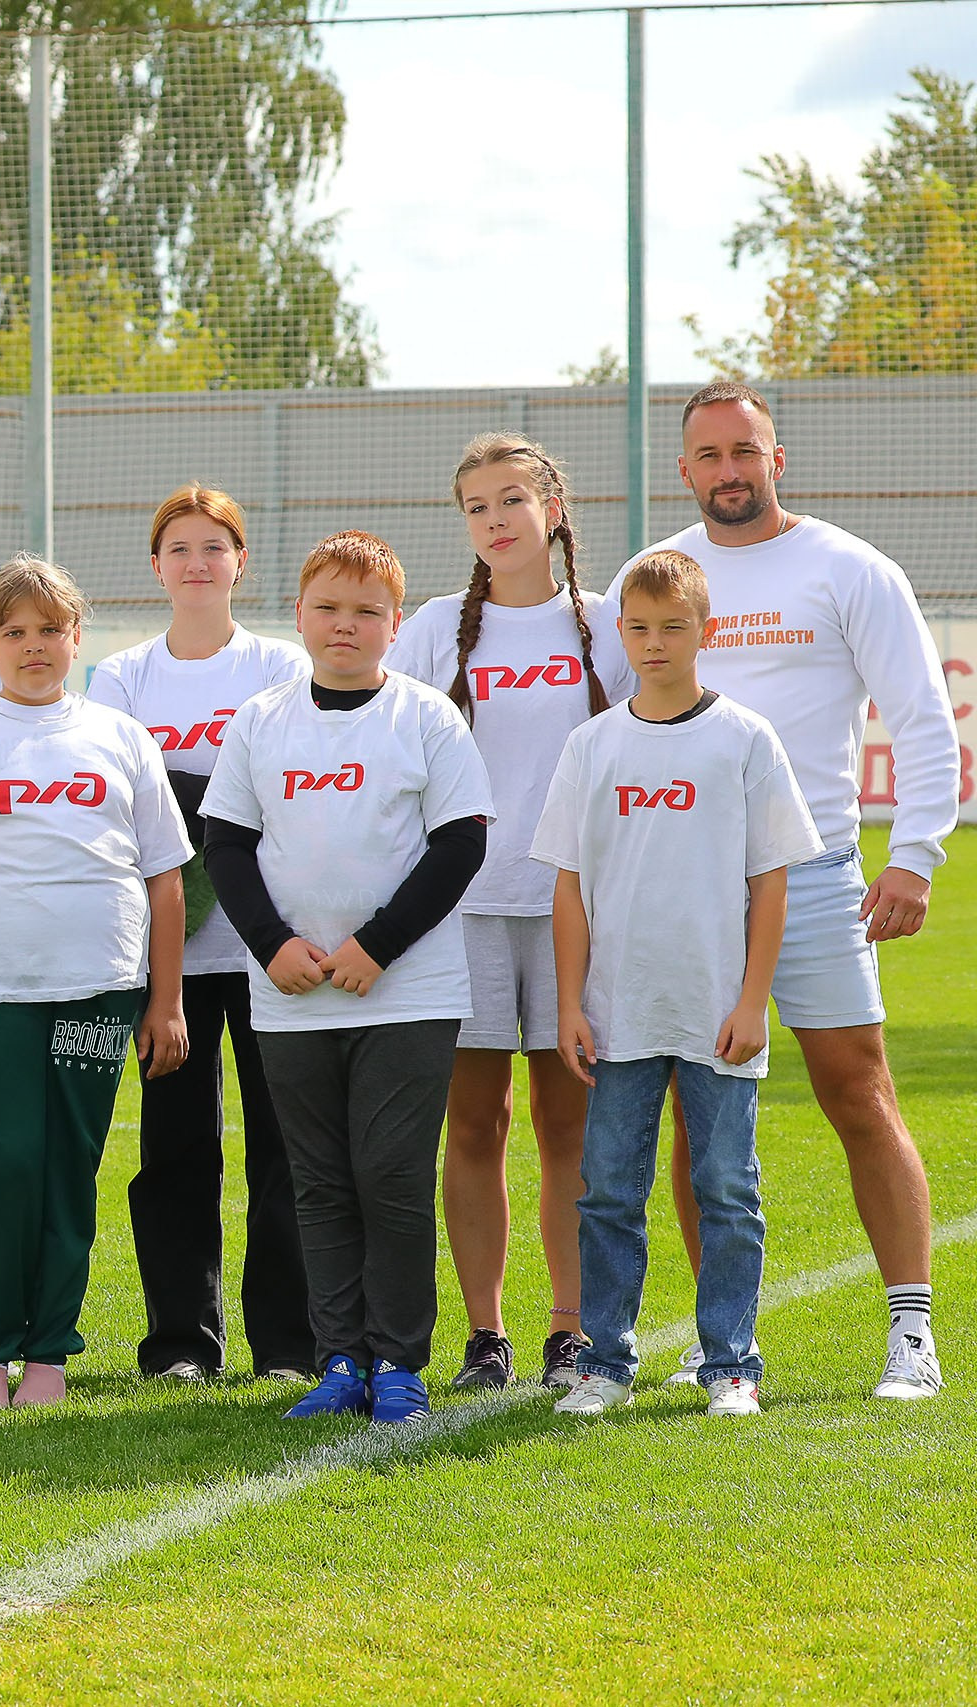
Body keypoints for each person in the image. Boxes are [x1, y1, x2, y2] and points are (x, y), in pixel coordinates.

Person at [640, 380, 955, 1402]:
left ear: (777, 459)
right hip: (690, 884)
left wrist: (914, 855)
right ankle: (717, 1337)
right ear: (684, 470)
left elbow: (920, 717)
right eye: (709, 455)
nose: (728, 471)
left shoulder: (848, 567)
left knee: (857, 1090)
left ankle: (912, 1333)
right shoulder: (659, 573)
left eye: (745, 451)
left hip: (816, 875)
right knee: (698, 1112)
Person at [201, 531, 494, 1425]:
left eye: (367, 611)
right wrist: (271, 945)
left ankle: (399, 1361)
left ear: (395, 624)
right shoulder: (261, 720)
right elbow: (226, 845)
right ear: (298, 615)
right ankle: (339, 1360)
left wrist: (378, 945)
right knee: (319, 1183)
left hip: (407, 993)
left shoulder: (426, 718)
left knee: (391, 1177)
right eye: (328, 607)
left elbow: (460, 844)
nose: (345, 624)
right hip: (291, 996)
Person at [0, 557, 191, 1408]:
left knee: (69, 1166)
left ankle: (51, 1351)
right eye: (14, 631)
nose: (33, 645)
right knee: (7, 1161)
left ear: (76, 637)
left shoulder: (121, 737)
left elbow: (165, 878)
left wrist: (165, 1000)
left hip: (100, 988)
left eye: (50, 629)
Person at [535, 551, 820, 1419]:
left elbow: (771, 881)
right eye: (639, 627)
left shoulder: (745, 738)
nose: (654, 642)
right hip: (618, 1013)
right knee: (608, 1192)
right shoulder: (592, 745)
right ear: (620, 633)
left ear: (706, 630)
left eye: (673, 626)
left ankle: (731, 1365)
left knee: (727, 1189)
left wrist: (753, 999)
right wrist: (569, 1002)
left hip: (717, 1010)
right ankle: (605, 1365)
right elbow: (569, 888)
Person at [392, 433, 630, 1394]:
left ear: (553, 510)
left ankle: (568, 1328)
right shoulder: (434, 629)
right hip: (463, 912)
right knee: (474, 1125)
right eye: (476, 506)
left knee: (568, 1128)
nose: (494, 520)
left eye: (512, 501)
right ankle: (485, 1334)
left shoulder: (609, 623)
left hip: (577, 910)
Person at [88, 485, 314, 1385]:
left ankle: (289, 1346)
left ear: (240, 562)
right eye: (178, 548)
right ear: (156, 566)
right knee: (176, 1150)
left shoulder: (279, 664)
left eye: (214, 546)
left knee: (283, 1150)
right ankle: (182, 1342)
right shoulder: (122, 677)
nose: (196, 562)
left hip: (269, 944)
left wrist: (192, 796)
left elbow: (284, 789)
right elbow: (124, 803)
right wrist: (209, 799)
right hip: (168, 954)